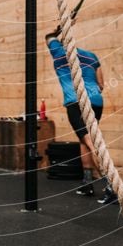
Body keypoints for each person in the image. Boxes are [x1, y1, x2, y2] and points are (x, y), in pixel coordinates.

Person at [45, 27, 112, 199]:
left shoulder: (58, 52)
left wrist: (57, 29)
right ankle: (87, 184)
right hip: (96, 102)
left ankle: (111, 186)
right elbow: (101, 85)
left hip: (76, 103)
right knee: (85, 141)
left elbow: (49, 37)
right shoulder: (91, 56)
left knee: (90, 142)